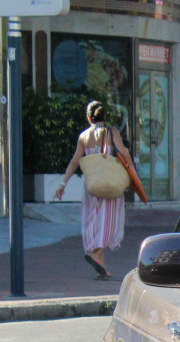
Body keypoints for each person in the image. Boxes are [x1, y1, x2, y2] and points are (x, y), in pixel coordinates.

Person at [54, 100, 132, 280]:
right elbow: (124, 153)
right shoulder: (112, 132)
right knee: (109, 222)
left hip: (92, 184)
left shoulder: (84, 136)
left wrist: (63, 184)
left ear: (89, 117)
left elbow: (75, 161)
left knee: (94, 220)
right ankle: (96, 254)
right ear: (104, 116)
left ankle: (101, 264)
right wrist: (132, 173)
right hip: (110, 183)